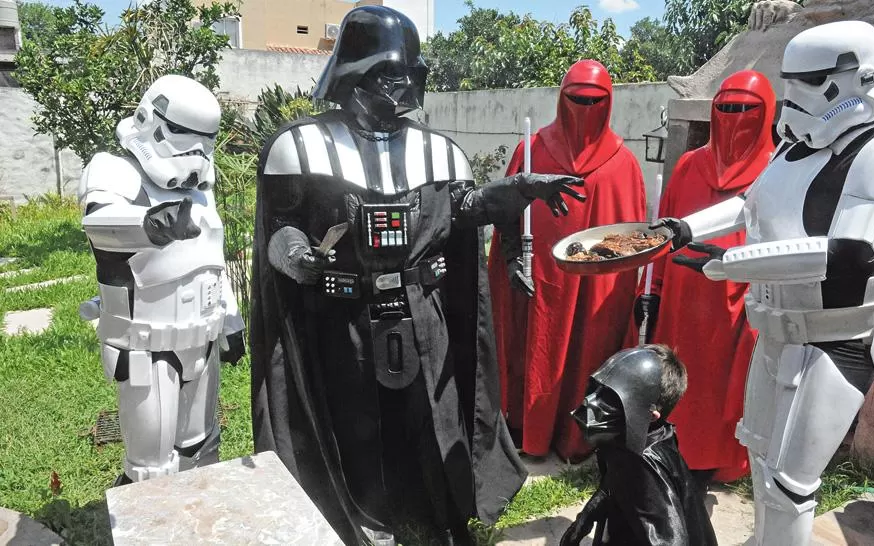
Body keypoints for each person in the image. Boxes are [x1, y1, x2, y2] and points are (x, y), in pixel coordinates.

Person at [249, 6, 586, 545]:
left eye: (410, 71)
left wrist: (511, 193)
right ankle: (359, 513)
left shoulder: (439, 152)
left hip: (422, 313)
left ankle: (431, 506)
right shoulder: (299, 147)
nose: (403, 84)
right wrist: (295, 254)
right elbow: (279, 227)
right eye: (388, 72)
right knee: (352, 420)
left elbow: (463, 210)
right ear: (354, 73)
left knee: (430, 416)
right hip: (340, 317)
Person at [652, 21, 874, 545]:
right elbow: (751, 204)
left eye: (814, 82)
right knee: (760, 454)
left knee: (790, 483)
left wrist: (735, 263)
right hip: (778, 328)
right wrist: (684, 228)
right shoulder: (800, 143)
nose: (797, 95)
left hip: (840, 337)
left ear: (860, 77)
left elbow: (851, 252)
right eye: (792, 82)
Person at [78, 75, 246, 485]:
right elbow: (99, 225)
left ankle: (195, 515)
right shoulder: (114, 170)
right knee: (150, 466)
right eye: (185, 135)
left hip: (202, 339)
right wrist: (152, 224)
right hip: (146, 346)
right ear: (150, 121)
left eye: (206, 141)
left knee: (199, 449)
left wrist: (231, 322)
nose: (196, 152)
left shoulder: (201, 192)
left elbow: (212, 262)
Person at [489, 59, 645, 462]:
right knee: (533, 348)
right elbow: (506, 215)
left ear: (608, 103)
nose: (585, 109)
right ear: (562, 98)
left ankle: (577, 437)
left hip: (592, 289)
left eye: (595, 101)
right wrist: (512, 262)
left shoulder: (622, 163)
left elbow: (630, 241)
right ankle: (527, 429)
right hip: (539, 276)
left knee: (585, 352)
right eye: (577, 99)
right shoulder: (532, 150)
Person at [639, 70, 776, 492]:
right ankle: (668, 451)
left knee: (721, 388)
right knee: (676, 381)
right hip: (682, 300)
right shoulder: (688, 165)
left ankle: (711, 462)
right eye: (726, 108)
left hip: (736, 302)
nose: (734, 118)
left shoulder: (777, 171)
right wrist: (653, 289)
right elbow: (663, 236)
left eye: (746, 109)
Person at [560, 345, 717, 546]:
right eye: (598, 390)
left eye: (612, 398)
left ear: (650, 415)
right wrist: (586, 517)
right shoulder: (643, 437)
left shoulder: (644, 465)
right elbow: (618, 476)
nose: (591, 402)